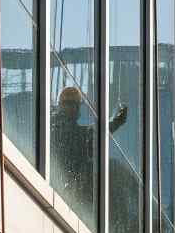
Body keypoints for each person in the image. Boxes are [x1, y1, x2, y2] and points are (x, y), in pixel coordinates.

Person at [51, 85, 127, 215]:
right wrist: (115, 122)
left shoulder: (55, 125)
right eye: (71, 105)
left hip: (67, 185)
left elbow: (89, 134)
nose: (74, 109)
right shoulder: (61, 128)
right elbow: (89, 133)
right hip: (69, 186)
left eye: (75, 105)